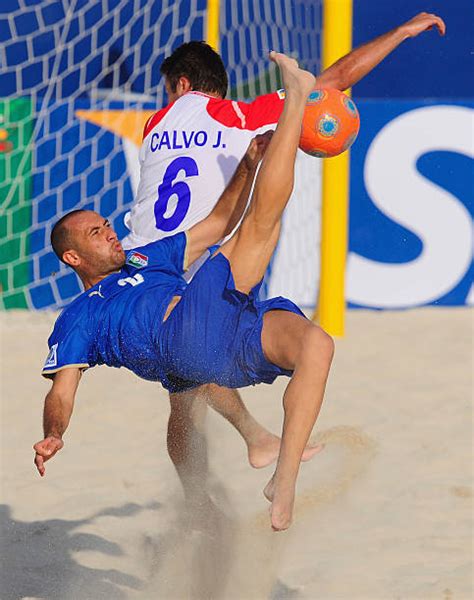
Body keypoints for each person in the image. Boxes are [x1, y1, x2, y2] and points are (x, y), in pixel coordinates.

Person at [120, 11, 446, 476]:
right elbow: (332, 81)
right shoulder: (239, 116)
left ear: (180, 85)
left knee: (182, 398)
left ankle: (199, 503)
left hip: (145, 263)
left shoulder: (155, 124)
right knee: (193, 367)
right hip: (200, 261)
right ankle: (255, 440)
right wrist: (398, 31)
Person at [35, 52, 335, 531]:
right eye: (96, 233)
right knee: (261, 227)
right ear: (73, 258)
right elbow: (63, 389)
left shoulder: (146, 256)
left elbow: (215, 223)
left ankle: (280, 476)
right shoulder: (78, 315)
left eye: (107, 225)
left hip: (211, 348)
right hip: (179, 336)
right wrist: (53, 433)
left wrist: (248, 166)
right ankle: (296, 99)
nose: (111, 232)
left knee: (317, 345)